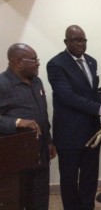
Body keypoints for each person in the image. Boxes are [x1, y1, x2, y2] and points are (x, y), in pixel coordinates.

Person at [46, 25, 101, 210]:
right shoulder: (56, 64)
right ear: (66, 42)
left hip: (92, 132)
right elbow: (67, 97)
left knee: (89, 178)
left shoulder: (91, 62)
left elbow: (93, 93)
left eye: (83, 40)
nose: (80, 43)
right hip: (69, 135)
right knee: (69, 180)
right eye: (75, 39)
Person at [0, 43, 56, 209]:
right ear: (18, 61)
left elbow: (42, 116)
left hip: (40, 154)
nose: (38, 63)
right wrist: (17, 122)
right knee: (18, 200)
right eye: (33, 60)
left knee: (40, 199)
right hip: (16, 158)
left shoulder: (36, 81)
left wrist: (49, 141)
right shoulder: (2, 84)